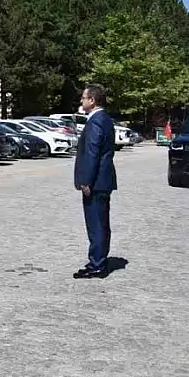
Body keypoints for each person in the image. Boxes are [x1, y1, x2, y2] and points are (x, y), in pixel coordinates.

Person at [72, 83, 117, 279]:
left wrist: (86, 181)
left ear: (92, 100)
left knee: (96, 223)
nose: (81, 101)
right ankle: (100, 259)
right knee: (101, 222)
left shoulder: (96, 122)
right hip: (103, 180)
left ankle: (97, 264)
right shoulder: (105, 119)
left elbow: (92, 153)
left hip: (96, 181)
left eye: (84, 98)